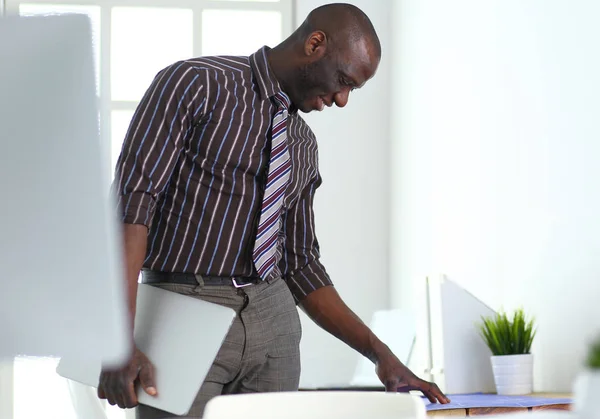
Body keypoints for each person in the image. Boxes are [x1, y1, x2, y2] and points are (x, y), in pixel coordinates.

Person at [98, 3, 450, 418]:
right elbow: (129, 207)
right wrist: (116, 339)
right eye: (343, 81)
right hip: (183, 311)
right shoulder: (196, 84)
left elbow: (300, 264)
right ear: (315, 44)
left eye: (352, 89)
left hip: (273, 325)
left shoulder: (302, 145)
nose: (341, 100)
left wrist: (381, 355)